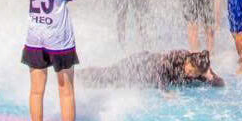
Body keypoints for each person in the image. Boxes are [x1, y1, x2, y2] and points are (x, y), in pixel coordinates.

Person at [82, 49, 225, 90]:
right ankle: (81, 77)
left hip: (144, 76)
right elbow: (160, 69)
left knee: (114, 82)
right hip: (141, 64)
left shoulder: (198, 70)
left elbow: (220, 83)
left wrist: (210, 75)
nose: (191, 75)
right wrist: (165, 90)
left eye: (195, 74)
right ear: (189, 62)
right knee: (110, 75)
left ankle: (83, 79)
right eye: (191, 71)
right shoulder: (180, 56)